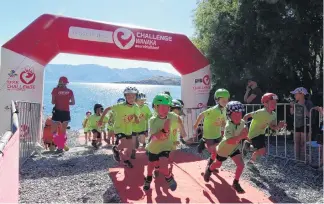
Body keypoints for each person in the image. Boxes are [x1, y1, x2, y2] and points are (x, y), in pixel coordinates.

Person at [203, 101, 247, 193]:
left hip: (234, 148)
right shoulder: (228, 125)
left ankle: (235, 183)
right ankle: (209, 170)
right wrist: (241, 136)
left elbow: (245, 133)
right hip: (224, 149)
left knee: (241, 165)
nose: (238, 115)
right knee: (217, 164)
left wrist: (248, 138)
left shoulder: (242, 122)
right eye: (235, 114)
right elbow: (229, 140)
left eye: (240, 113)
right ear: (229, 115)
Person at [143, 93, 181, 191]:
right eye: (162, 107)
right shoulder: (153, 120)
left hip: (166, 147)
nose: (165, 109)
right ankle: (148, 178)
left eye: (167, 107)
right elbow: (155, 137)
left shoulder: (172, 116)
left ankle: (169, 178)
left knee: (164, 166)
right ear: (155, 107)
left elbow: (179, 119)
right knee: (151, 166)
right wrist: (165, 130)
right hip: (154, 147)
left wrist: (184, 132)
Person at [99, 87, 140, 168]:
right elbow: (107, 109)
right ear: (125, 97)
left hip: (128, 129)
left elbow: (137, 121)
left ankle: (126, 160)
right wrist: (101, 119)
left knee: (130, 148)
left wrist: (136, 118)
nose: (131, 98)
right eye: (128, 96)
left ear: (136, 97)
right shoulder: (119, 106)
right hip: (119, 128)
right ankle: (115, 149)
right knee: (123, 143)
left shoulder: (136, 107)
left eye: (133, 96)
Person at [243, 93, 286, 167]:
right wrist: (243, 126)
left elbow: (273, 127)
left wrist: (279, 126)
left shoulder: (274, 114)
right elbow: (246, 116)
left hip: (261, 134)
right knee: (262, 150)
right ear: (265, 103)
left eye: (275, 103)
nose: (274, 104)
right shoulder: (261, 112)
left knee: (261, 151)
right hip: (254, 134)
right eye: (272, 102)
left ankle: (249, 154)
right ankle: (250, 156)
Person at [193, 89, 230, 171]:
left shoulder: (224, 109)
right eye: (223, 100)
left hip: (217, 134)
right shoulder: (213, 110)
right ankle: (203, 143)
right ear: (217, 100)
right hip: (209, 134)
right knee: (213, 150)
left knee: (216, 151)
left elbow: (224, 121)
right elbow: (201, 115)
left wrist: (227, 128)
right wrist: (196, 125)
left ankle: (210, 166)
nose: (225, 102)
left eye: (226, 100)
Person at [289, 87, 321, 160]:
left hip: (306, 125)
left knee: (304, 143)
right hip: (297, 124)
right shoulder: (295, 103)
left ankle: (303, 159)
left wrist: (303, 106)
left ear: (301, 94)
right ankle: (297, 158)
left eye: (295, 94)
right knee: (296, 142)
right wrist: (291, 106)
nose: (294, 96)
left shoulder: (308, 103)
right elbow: (292, 113)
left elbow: (309, 115)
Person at [51, 76, 75, 154]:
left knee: (54, 132)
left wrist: (60, 100)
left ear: (59, 82)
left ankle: (60, 145)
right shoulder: (70, 91)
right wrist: (66, 102)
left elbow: (53, 102)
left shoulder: (55, 90)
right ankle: (61, 146)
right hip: (66, 113)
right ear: (66, 83)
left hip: (57, 112)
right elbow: (73, 103)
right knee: (63, 132)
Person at [131, 93, 152, 159]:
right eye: (141, 101)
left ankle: (144, 144)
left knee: (142, 141)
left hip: (142, 128)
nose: (142, 102)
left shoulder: (146, 107)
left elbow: (150, 115)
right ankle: (133, 152)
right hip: (133, 129)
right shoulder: (132, 107)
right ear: (136, 101)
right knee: (133, 143)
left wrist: (148, 118)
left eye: (143, 100)